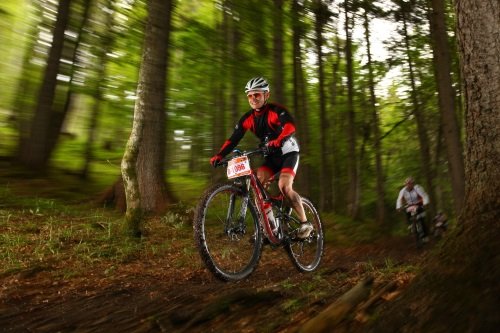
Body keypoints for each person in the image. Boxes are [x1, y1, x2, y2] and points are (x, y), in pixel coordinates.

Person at [210, 77, 313, 239]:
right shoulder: (247, 118)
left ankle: (305, 223)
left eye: (257, 95)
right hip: (271, 156)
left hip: (288, 152)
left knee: (284, 186)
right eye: (250, 96)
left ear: (266, 95)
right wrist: (220, 155)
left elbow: (290, 126)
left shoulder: (275, 111)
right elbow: (233, 139)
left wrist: (279, 140)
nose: (253, 99)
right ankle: (270, 228)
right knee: (258, 187)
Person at [396, 177, 430, 241]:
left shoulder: (418, 188)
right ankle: (411, 225)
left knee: (422, 219)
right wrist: (398, 207)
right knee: (407, 212)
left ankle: (425, 236)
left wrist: (425, 203)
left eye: (410, 184)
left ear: (413, 184)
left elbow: (425, 196)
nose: (408, 185)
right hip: (410, 205)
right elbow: (399, 199)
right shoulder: (403, 191)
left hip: (419, 204)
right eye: (407, 184)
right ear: (405, 184)